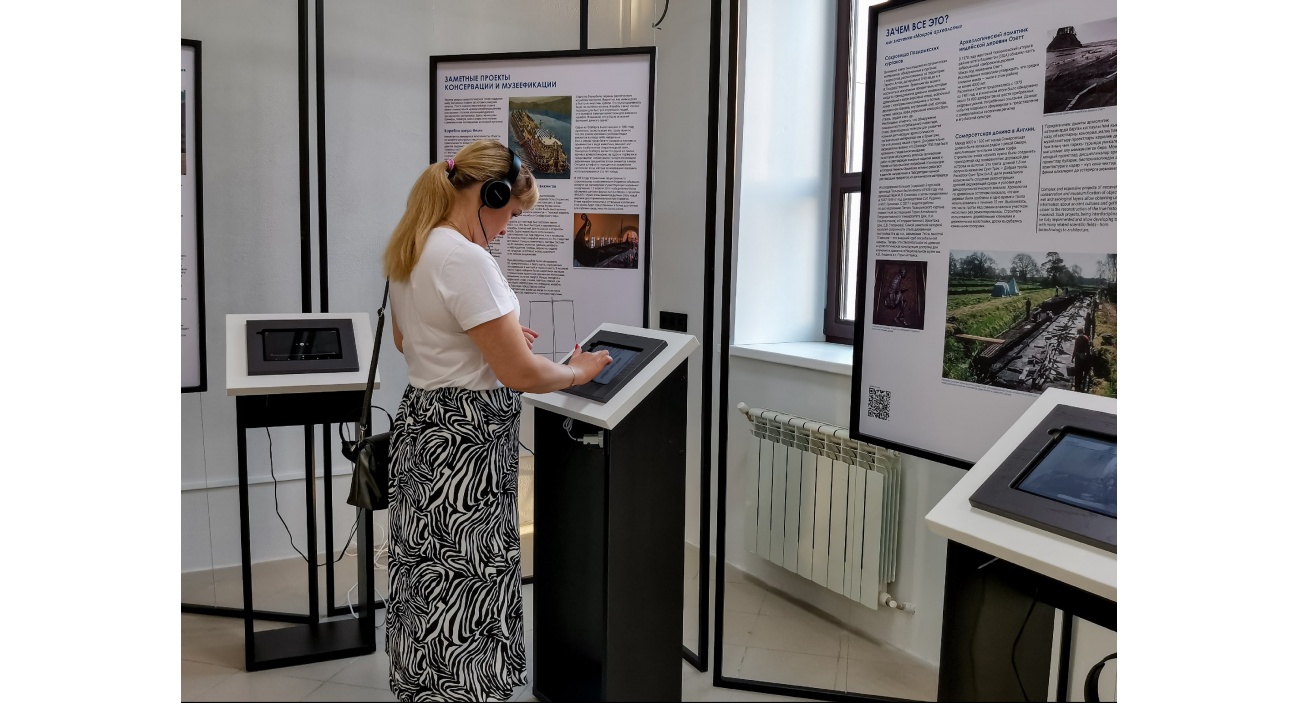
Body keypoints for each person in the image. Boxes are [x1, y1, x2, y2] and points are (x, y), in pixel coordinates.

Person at [380, 139, 612, 702]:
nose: (508, 228)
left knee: (428, 567)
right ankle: (467, 688)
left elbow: (408, 339)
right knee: (467, 569)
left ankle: (427, 685)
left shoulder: (414, 245)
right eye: (511, 213)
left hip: (425, 428)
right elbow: (522, 374)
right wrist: (577, 371)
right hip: (466, 440)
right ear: (491, 194)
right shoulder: (465, 258)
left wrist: (491, 340)